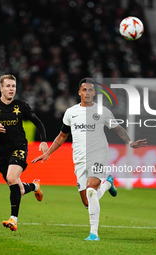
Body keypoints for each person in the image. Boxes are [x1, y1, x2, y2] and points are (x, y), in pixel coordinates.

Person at [32, 78, 147, 241]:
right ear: (79, 92)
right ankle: (108, 183)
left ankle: (94, 233)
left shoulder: (103, 111)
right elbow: (62, 136)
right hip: (79, 158)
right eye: (84, 90)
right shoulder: (71, 112)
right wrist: (48, 152)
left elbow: (118, 128)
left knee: (92, 190)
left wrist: (129, 142)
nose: (87, 92)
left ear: (94, 93)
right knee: (87, 202)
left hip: (98, 155)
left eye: (90, 90)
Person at [0, 74, 48, 231]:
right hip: (1, 153)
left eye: (13, 86)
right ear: (1, 88)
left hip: (19, 147)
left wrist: (43, 141)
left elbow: (38, 122)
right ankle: (35, 186)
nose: (11, 89)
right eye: (8, 86)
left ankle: (13, 219)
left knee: (11, 177)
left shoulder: (21, 106)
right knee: (19, 189)